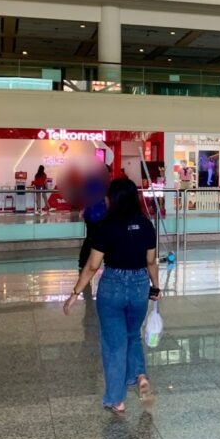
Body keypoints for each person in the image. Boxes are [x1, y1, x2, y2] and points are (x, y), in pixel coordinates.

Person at [64, 177, 160, 414]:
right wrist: (155, 287)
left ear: (114, 199)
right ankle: (140, 376)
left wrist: (75, 293)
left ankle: (116, 400)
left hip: (113, 287)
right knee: (132, 335)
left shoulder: (106, 226)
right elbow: (151, 261)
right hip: (139, 285)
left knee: (113, 345)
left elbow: (92, 266)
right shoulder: (146, 225)